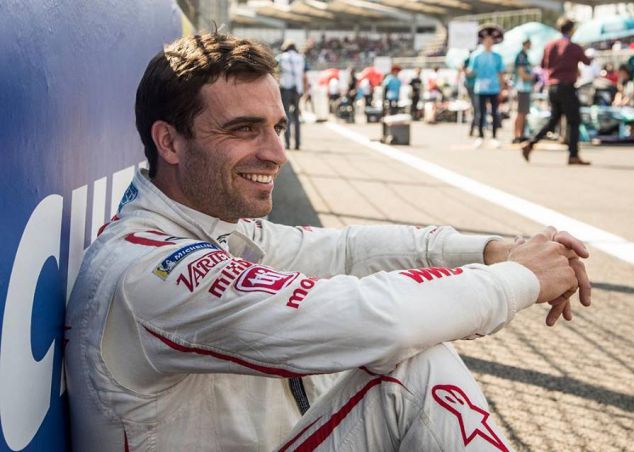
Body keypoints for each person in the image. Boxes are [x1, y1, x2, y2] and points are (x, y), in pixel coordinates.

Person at [65, 32, 592, 452]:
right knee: (412, 367)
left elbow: (347, 251)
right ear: (169, 141)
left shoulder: (208, 226)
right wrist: (524, 278)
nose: (276, 153)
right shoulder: (148, 270)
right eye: (244, 129)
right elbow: (384, 322)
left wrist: (495, 251)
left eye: (277, 127)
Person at [521, 17, 592, 165]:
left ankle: (531, 143)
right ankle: (573, 155)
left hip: (552, 87)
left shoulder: (550, 45)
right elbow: (587, 61)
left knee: (553, 120)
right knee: (574, 121)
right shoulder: (573, 47)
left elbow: (543, 65)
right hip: (567, 87)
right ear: (572, 30)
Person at [468, 31, 505, 148]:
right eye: (486, 40)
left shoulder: (497, 57)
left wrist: (502, 88)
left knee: (495, 113)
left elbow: (501, 73)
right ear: (483, 41)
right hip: (480, 88)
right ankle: (480, 136)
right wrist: (463, 68)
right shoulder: (476, 56)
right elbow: (471, 71)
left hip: (494, 88)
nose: (488, 42)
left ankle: (494, 136)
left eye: (491, 40)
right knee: (480, 113)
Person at [277, 40, 306, 150]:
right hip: (297, 89)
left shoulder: (281, 57)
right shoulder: (301, 58)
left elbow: (273, 66)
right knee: (297, 116)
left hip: (286, 88)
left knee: (286, 116)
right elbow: (304, 74)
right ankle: (298, 143)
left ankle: (287, 143)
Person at [513, 38, 534, 143]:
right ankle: (517, 135)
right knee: (521, 112)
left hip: (525, 88)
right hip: (522, 88)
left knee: (524, 112)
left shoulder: (525, 55)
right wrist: (533, 77)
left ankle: (521, 134)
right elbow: (522, 73)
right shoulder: (521, 56)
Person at [461, 52, 478, 137]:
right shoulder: (468, 60)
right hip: (472, 86)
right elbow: (466, 72)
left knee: (478, 108)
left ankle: (475, 127)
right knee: (476, 108)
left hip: (478, 87)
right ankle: (473, 128)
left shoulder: (478, 58)